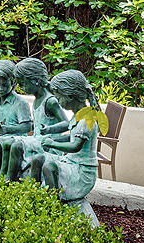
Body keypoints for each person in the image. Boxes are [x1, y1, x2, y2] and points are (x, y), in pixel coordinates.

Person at [28, 69, 101, 203]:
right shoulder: (77, 116)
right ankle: (34, 195)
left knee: (49, 166)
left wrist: (52, 143)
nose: (57, 100)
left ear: (70, 96)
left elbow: (75, 146)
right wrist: (53, 138)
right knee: (38, 158)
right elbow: (71, 138)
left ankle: (53, 203)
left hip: (81, 172)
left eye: (59, 96)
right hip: (71, 162)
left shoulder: (87, 119)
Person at [2, 57, 70, 181]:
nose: (20, 87)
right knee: (8, 142)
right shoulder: (37, 98)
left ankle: (9, 180)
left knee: (17, 146)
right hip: (37, 140)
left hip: (48, 144)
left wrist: (49, 129)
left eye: (22, 83)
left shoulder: (50, 101)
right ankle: (5, 177)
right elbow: (39, 123)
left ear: (35, 81)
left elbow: (67, 123)